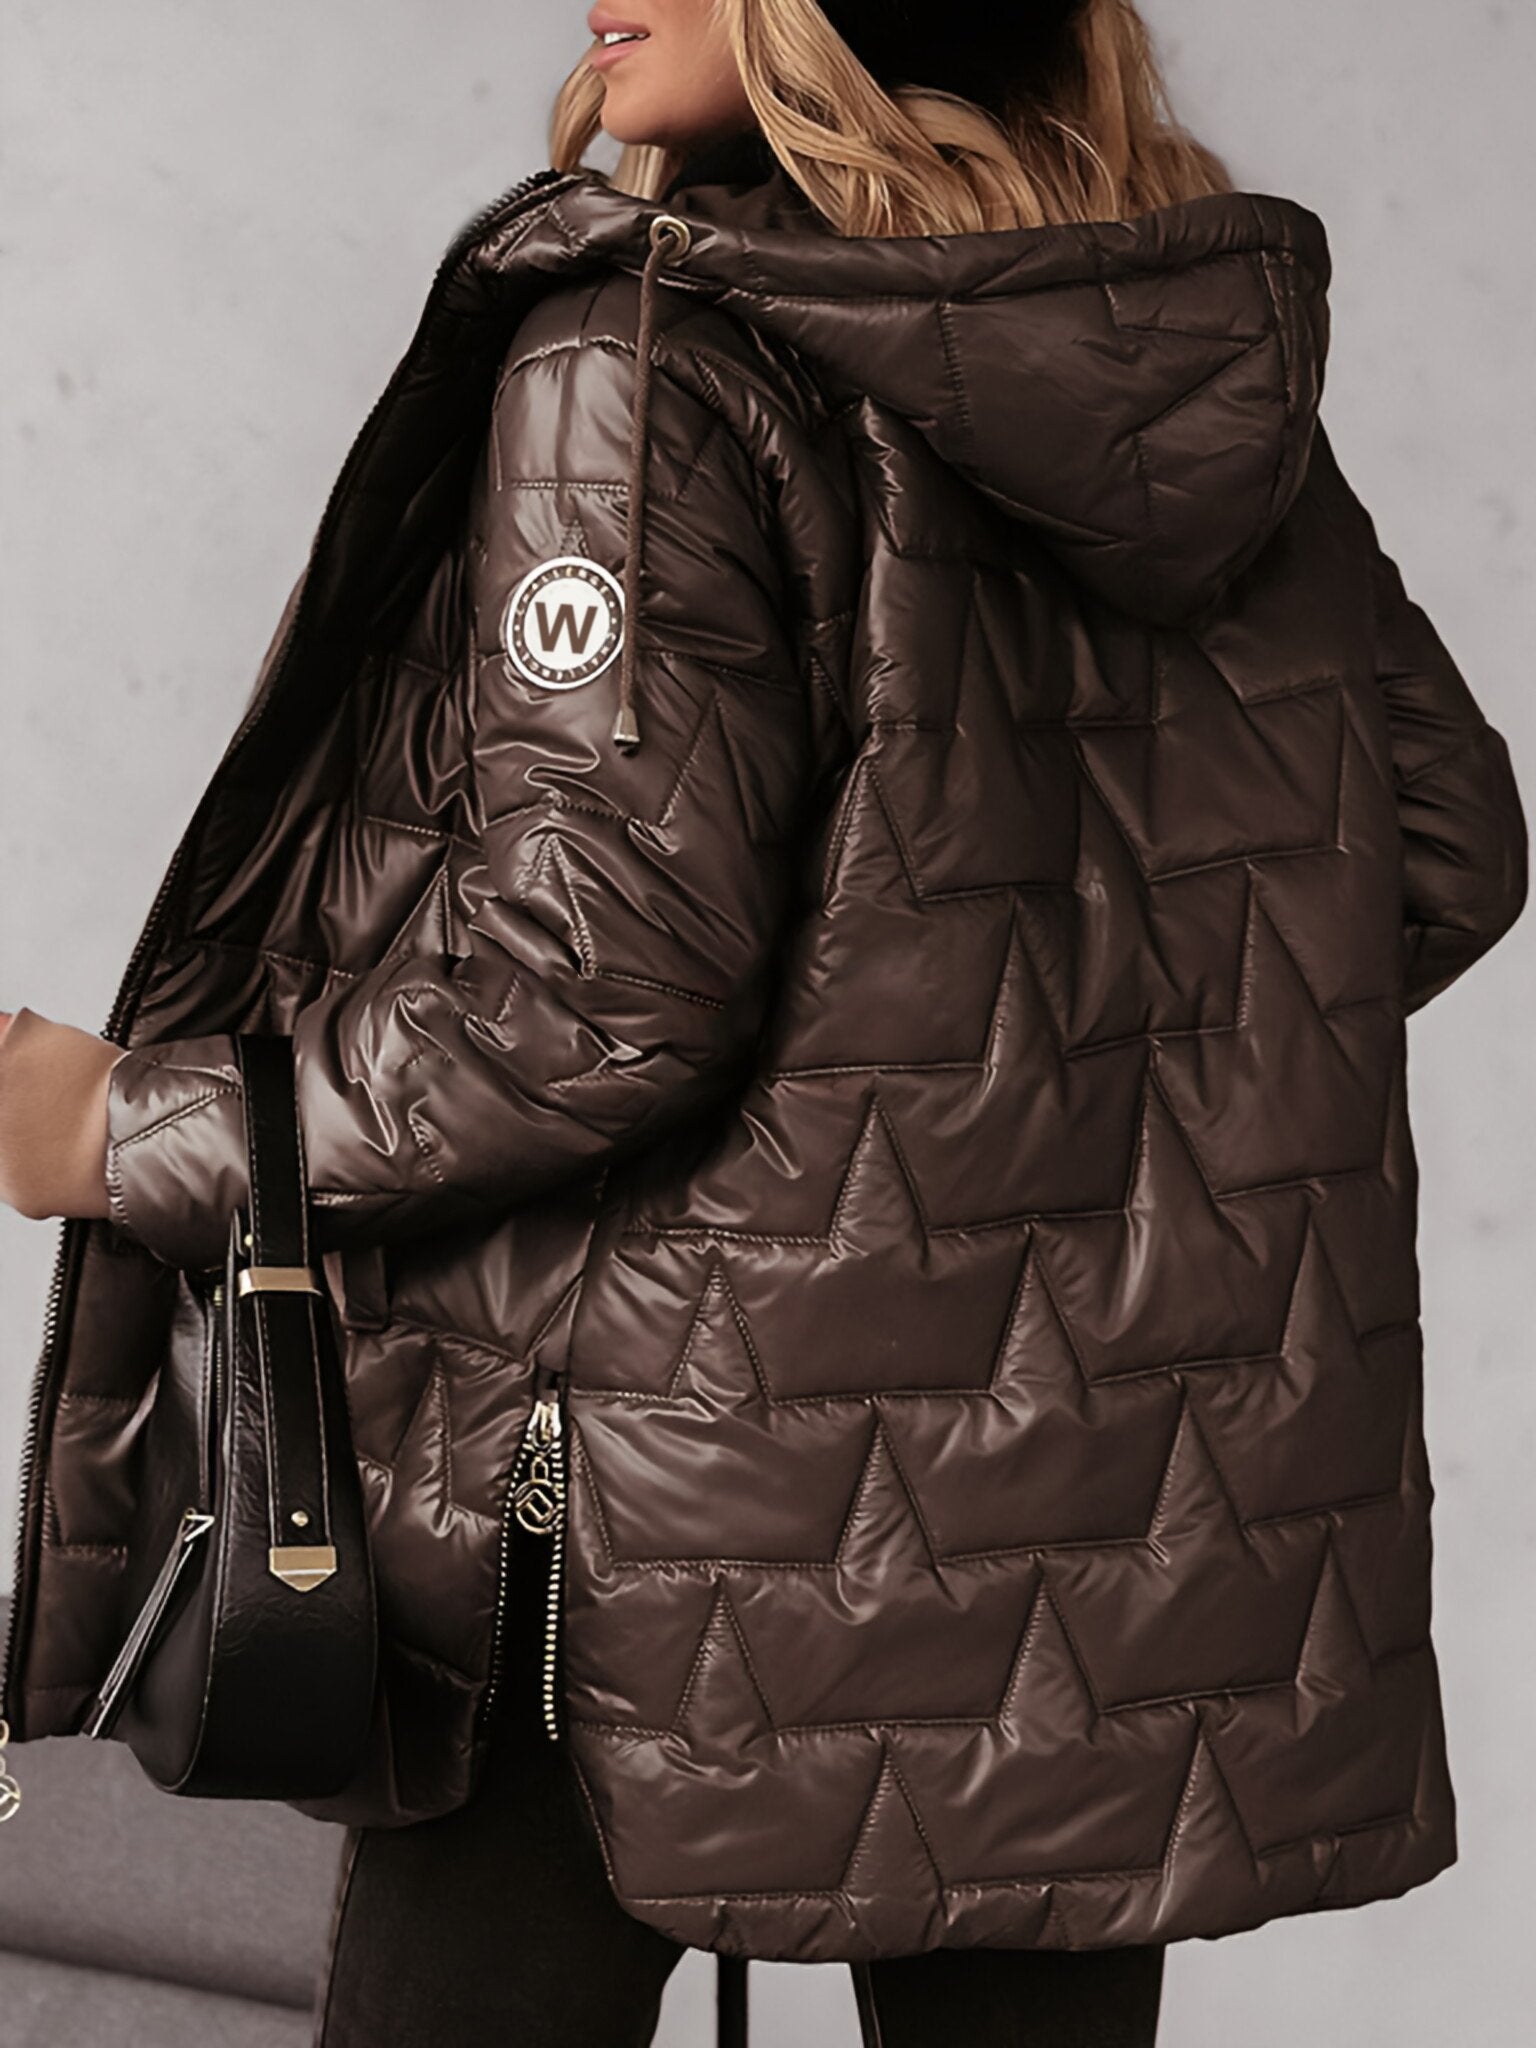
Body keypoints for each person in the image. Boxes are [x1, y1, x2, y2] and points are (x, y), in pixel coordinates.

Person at [0, 3, 1527, 2046]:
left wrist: (130, 1131)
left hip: (668, 1498)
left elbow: (586, 990)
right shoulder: (1160, 367)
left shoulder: (639, 360)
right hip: (1086, 1527)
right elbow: (1439, 845)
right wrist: (1039, 1125)